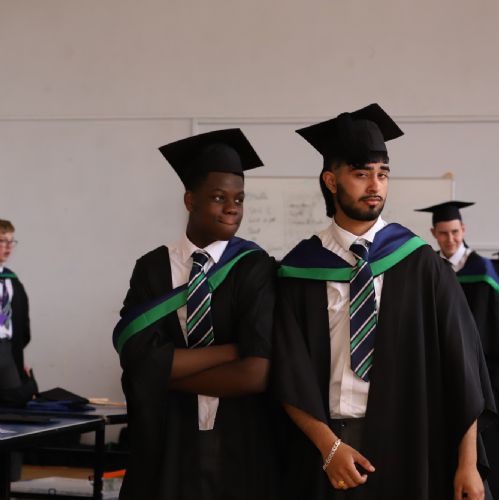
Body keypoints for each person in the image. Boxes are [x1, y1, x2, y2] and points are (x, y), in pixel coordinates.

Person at [272, 104, 496, 499]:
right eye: (361, 174)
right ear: (331, 181)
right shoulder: (300, 270)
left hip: (410, 443)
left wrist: (468, 464)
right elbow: (288, 371)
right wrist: (328, 447)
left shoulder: (421, 264)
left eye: (383, 174)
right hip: (327, 449)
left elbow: (462, 368)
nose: (375, 185)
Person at [113, 129, 281, 500]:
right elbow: (137, 358)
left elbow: (256, 373)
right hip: (168, 437)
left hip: (239, 439)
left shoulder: (253, 268)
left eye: (239, 199)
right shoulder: (153, 268)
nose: (232, 208)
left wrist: (162, 376)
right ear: (190, 200)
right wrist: (231, 352)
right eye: (219, 197)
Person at [416, 200, 499, 498]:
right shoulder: (430, 270)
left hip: (483, 372)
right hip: (439, 371)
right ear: (433, 234)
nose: (449, 239)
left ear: (463, 230)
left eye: (454, 232)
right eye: (443, 233)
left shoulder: (483, 271)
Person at [0, 219, 36, 481]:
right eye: (2, 241)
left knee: (13, 413)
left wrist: (16, 357)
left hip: (6, 352)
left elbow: (20, 324)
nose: (8, 247)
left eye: (11, 241)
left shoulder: (11, 281)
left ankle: (7, 479)